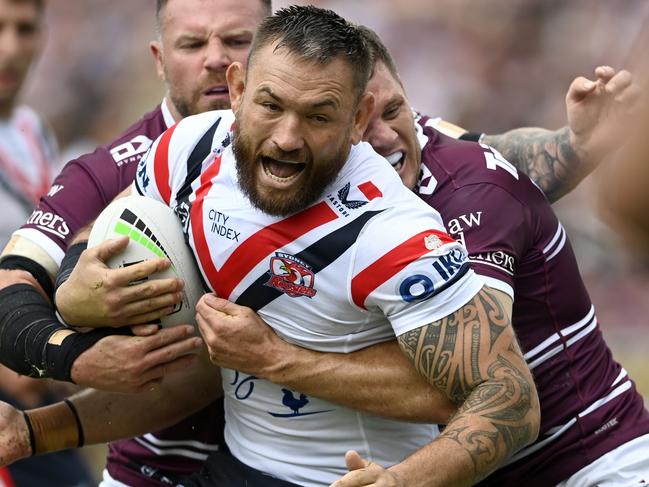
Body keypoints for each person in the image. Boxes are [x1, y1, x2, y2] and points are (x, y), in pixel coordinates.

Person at [0, 1, 636, 486]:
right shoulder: (186, 154)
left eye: (319, 116)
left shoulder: (396, 235)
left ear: (358, 120)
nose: (286, 137)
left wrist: (401, 481)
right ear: (240, 87)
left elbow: (508, 400)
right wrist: (51, 378)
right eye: (271, 106)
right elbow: (202, 364)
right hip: (231, 467)